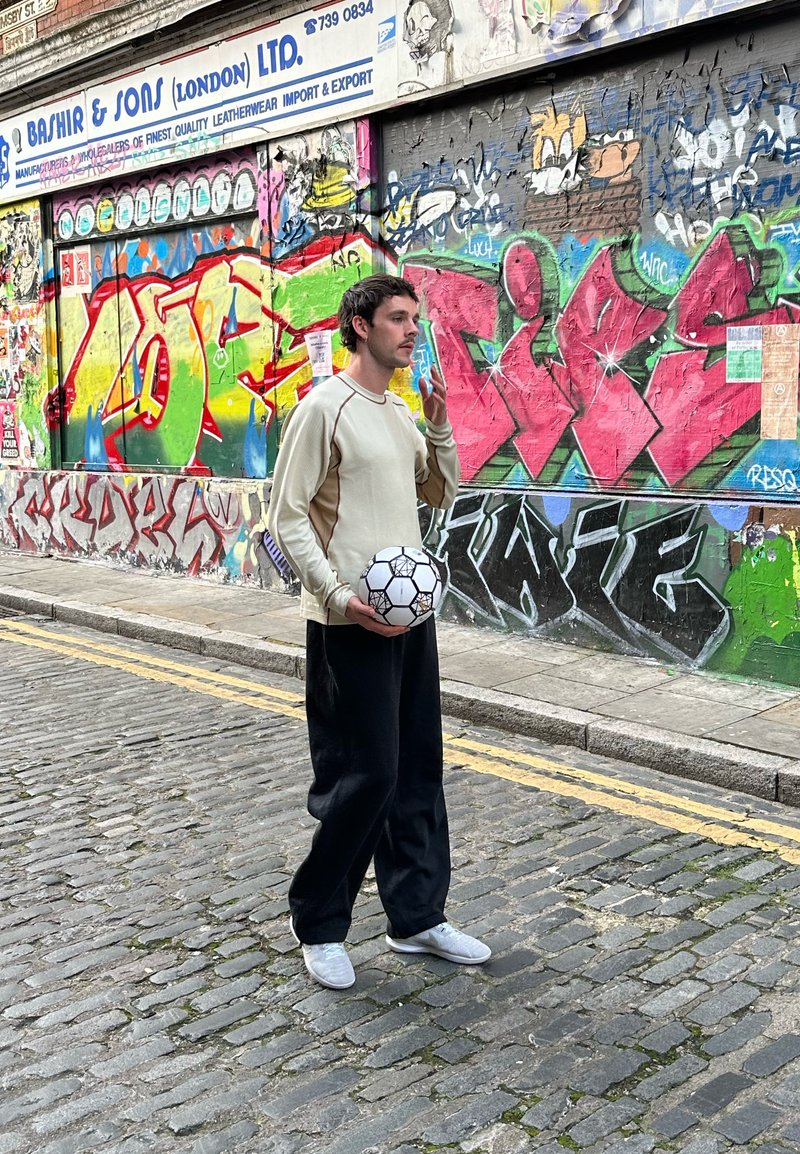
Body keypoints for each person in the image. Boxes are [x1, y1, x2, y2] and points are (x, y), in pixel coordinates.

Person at [267, 273, 491, 989]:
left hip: (409, 618)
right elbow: (287, 514)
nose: (412, 330)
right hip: (346, 622)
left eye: (414, 319)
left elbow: (439, 492)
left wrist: (437, 422)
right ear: (360, 326)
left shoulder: (397, 412)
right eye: (399, 318)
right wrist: (334, 592)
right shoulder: (323, 410)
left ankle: (418, 916)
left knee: (419, 766)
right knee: (366, 775)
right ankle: (320, 922)